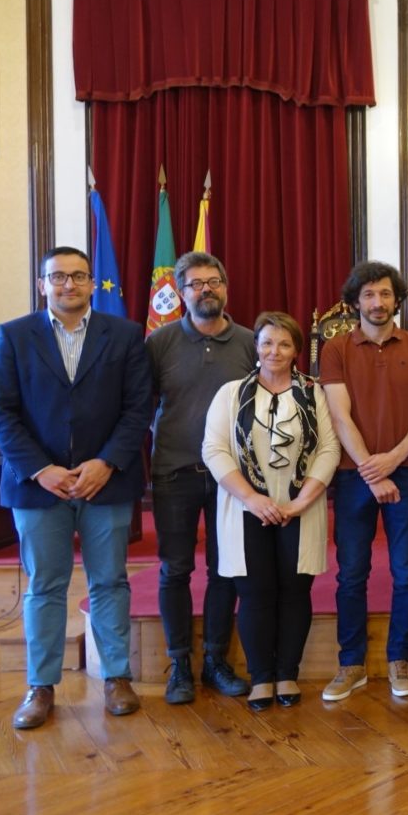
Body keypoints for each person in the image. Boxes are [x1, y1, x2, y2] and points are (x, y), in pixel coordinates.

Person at [0, 247, 153, 729]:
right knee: (45, 585)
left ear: (91, 283)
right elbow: (0, 414)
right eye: (58, 276)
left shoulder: (125, 335)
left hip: (106, 482)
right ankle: (40, 687)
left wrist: (106, 462)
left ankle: (117, 678)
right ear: (43, 284)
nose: (68, 284)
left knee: (110, 581)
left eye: (78, 276)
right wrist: (41, 469)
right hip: (39, 486)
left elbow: (139, 408)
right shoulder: (14, 336)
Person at [202, 313, 339, 710]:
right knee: (254, 593)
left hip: (301, 507)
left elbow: (329, 448)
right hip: (245, 507)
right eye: (266, 343)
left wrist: (301, 501)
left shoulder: (313, 393)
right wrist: (251, 498)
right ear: (256, 347)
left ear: (296, 350)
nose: (274, 351)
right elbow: (214, 449)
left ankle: (287, 674)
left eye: (283, 344)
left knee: (295, 592)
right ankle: (261, 676)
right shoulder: (231, 394)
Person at [319, 261, 408, 701]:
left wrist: (393, 459)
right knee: (351, 573)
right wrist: (372, 469)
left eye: (385, 293)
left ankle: (399, 659)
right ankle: (350, 664)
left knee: (407, 572)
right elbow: (339, 416)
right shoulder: (336, 349)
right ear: (355, 302)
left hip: (406, 470)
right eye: (369, 294)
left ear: (397, 299)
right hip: (354, 476)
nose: (377, 302)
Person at [145, 250, 256, 704]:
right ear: (181, 292)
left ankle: (215, 660)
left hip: (233, 478)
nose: (206, 290)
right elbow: (141, 403)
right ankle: (179, 666)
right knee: (175, 569)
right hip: (175, 472)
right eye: (195, 284)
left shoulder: (250, 341)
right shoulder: (159, 342)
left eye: (213, 282)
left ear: (225, 288)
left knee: (224, 570)